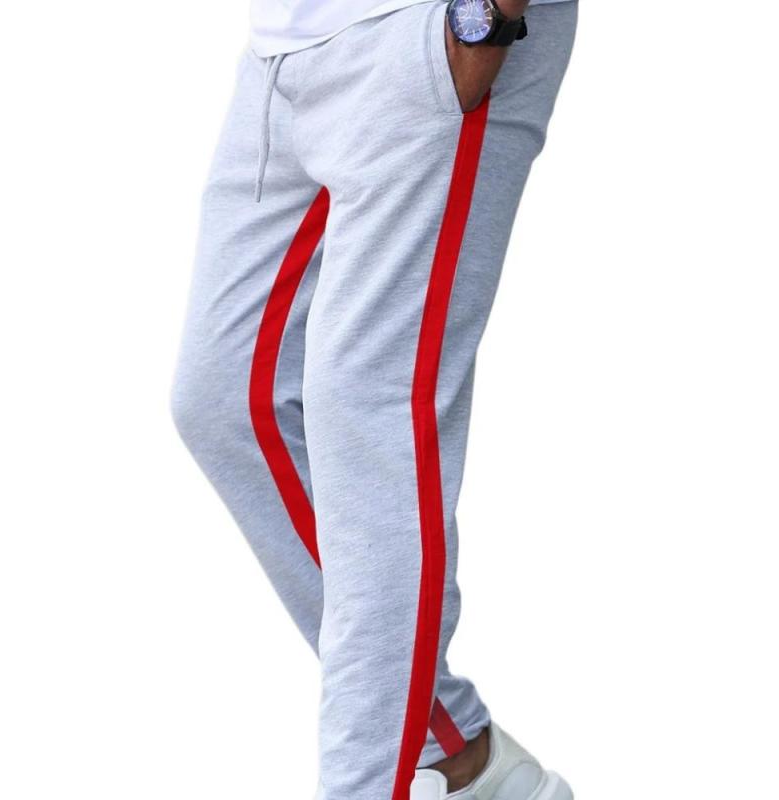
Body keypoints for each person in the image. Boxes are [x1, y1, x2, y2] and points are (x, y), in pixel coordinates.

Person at [172, 1, 578, 799]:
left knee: (368, 418)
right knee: (225, 399)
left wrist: (484, 24)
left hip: (429, 36)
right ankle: (463, 759)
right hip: (285, 50)